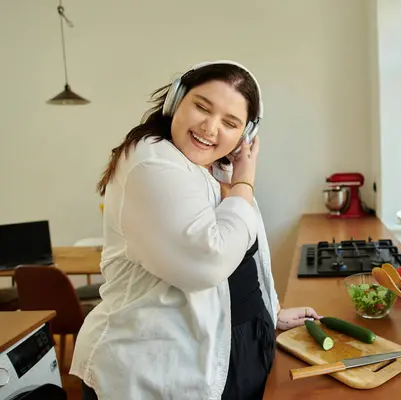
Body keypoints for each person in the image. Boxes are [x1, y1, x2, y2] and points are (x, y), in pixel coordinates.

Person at [70, 60, 321, 400]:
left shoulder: (215, 170)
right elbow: (208, 263)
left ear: (245, 136)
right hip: (157, 373)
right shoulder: (152, 161)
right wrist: (246, 180)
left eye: (230, 123)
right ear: (175, 101)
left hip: (238, 353)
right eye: (202, 107)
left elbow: (247, 256)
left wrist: (269, 313)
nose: (210, 127)